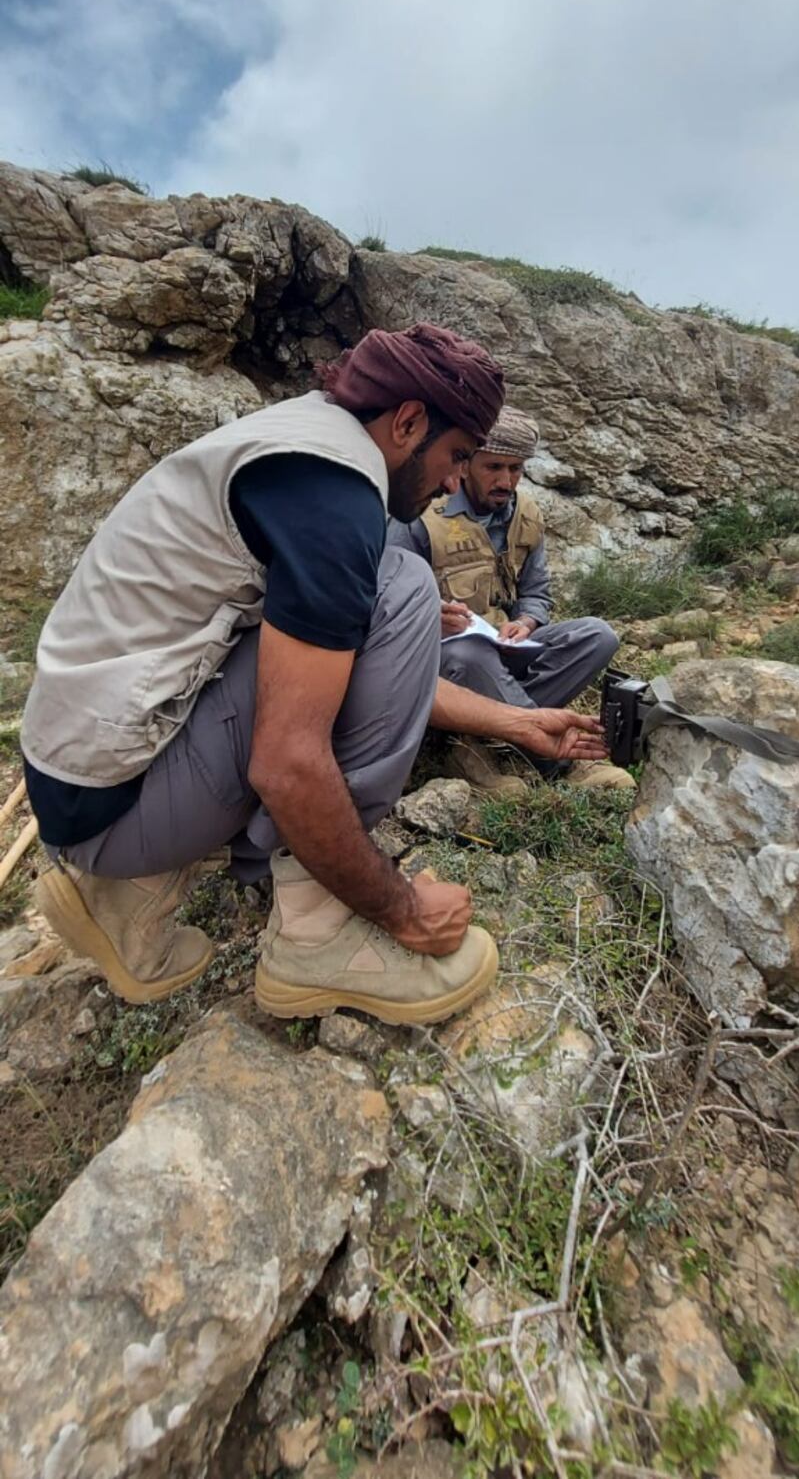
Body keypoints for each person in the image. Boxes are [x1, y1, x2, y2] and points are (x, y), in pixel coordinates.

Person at [21, 327, 610, 1027]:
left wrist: (517, 722)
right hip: (111, 804)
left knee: (361, 614)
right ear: (409, 421)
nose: (454, 479)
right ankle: (314, 933)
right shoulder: (335, 495)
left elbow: (323, 673)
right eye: (456, 455)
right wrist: (403, 908)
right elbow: (287, 764)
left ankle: (124, 891)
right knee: (402, 586)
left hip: (80, 783)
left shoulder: (302, 439)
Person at [388, 404, 633, 794]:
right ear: (466, 465)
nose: (506, 480)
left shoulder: (527, 514)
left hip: (505, 648)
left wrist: (528, 622)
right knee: (471, 656)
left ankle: (483, 740)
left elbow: (537, 593)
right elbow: (386, 599)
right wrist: (430, 618)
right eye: (494, 467)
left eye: (516, 469)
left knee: (598, 636)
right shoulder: (422, 518)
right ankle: (556, 760)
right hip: (442, 663)